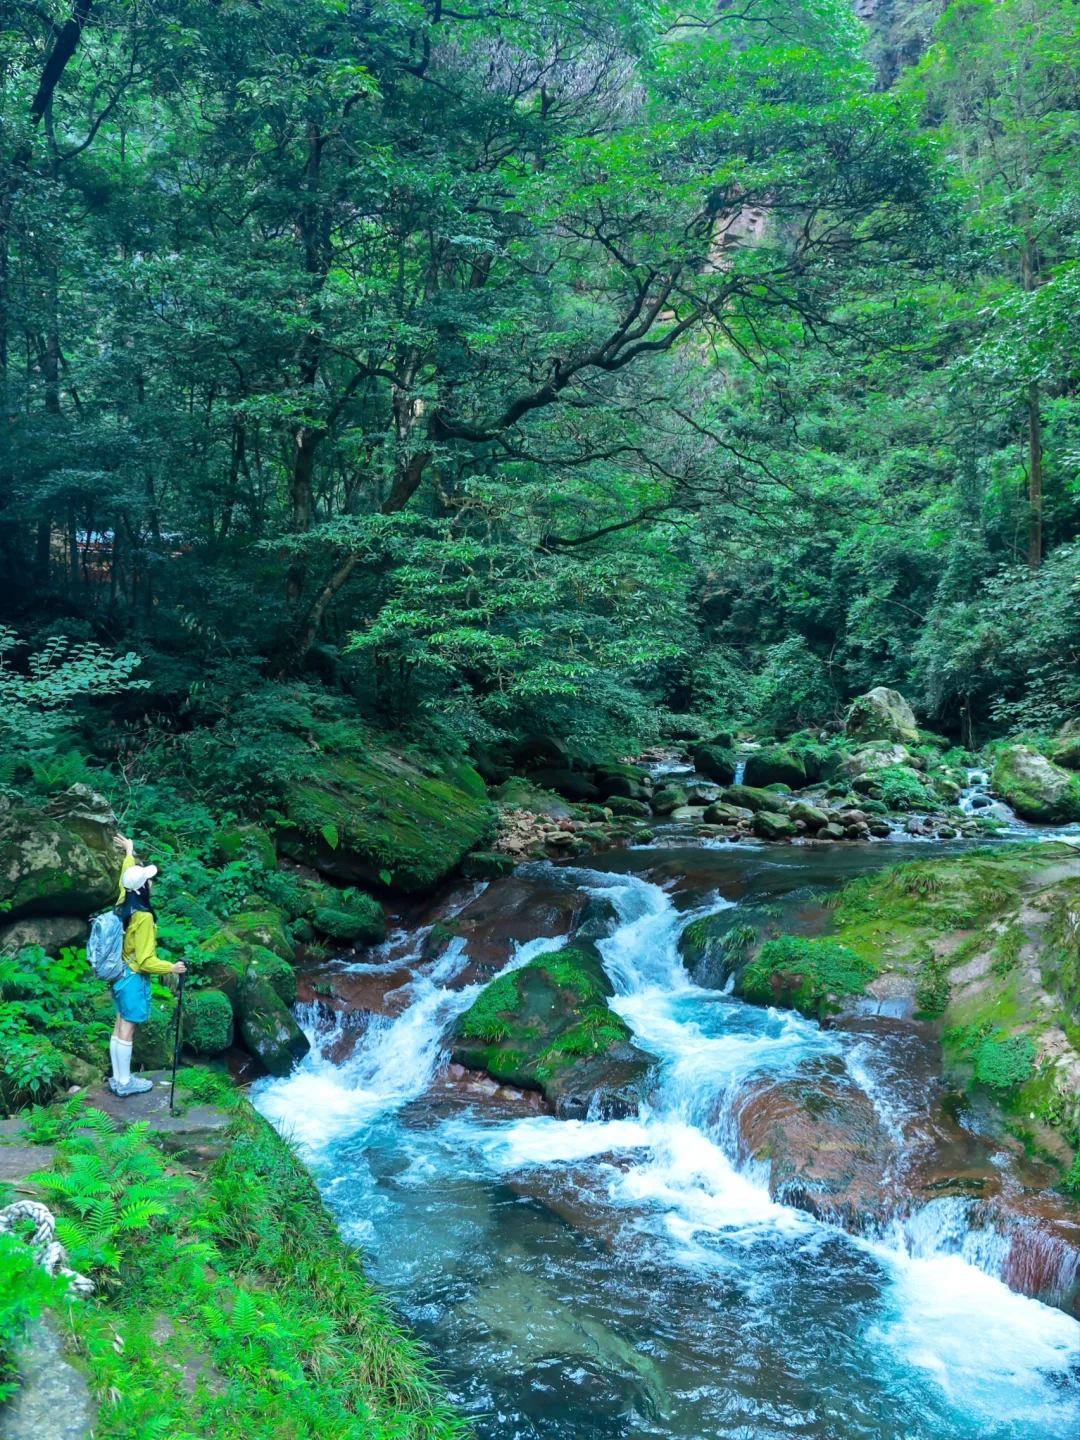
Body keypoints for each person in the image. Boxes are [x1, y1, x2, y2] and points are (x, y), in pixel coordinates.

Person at [108, 833, 187, 1097]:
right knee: (128, 1028)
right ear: (142, 888)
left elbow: (125, 876)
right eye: (149, 880)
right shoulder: (142, 917)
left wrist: (129, 851)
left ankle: (118, 1079)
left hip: (118, 974)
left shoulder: (123, 901)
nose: (151, 882)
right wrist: (171, 968)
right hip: (131, 977)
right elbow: (145, 961)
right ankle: (125, 1083)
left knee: (119, 1024)